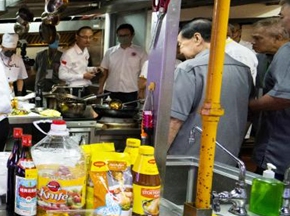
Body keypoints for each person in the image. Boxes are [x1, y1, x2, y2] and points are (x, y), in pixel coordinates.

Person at [167, 19, 253, 164]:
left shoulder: (188, 69)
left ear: (197, 38)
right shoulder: (243, 70)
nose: (180, 51)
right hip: (228, 157)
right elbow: (248, 114)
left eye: (180, 44)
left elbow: (174, 120)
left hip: (189, 159)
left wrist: (157, 157)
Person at [249, 9, 290, 178]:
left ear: (277, 38)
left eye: (258, 38)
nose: (253, 42)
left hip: (279, 149)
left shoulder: (286, 53)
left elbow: (283, 96)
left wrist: (250, 106)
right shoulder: (266, 58)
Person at [97, 24, 147, 103]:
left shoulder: (140, 52)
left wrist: (141, 91)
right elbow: (105, 71)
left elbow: (144, 73)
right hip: (111, 90)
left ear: (132, 35)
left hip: (131, 91)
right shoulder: (110, 52)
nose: (123, 38)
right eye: (120, 35)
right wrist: (101, 87)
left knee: (129, 114)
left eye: (125, 35)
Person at [59, 26, 96, 96]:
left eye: (90, 37)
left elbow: (80, 68)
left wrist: (94, 69)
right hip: (74, 90)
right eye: (84, 37)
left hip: (85, 87)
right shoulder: (68, 54)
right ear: (77, 37)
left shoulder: (85, 50)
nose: (88, 40)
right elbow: (62, 75)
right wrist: (82, 76)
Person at [34, 23, 62, 92]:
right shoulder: (40, 55)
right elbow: (35, 70)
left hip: (55, 88)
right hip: (41, 86)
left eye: (56, 42)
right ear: (49, 42)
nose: (55, 44)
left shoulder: (62, 56)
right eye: (53, 41)